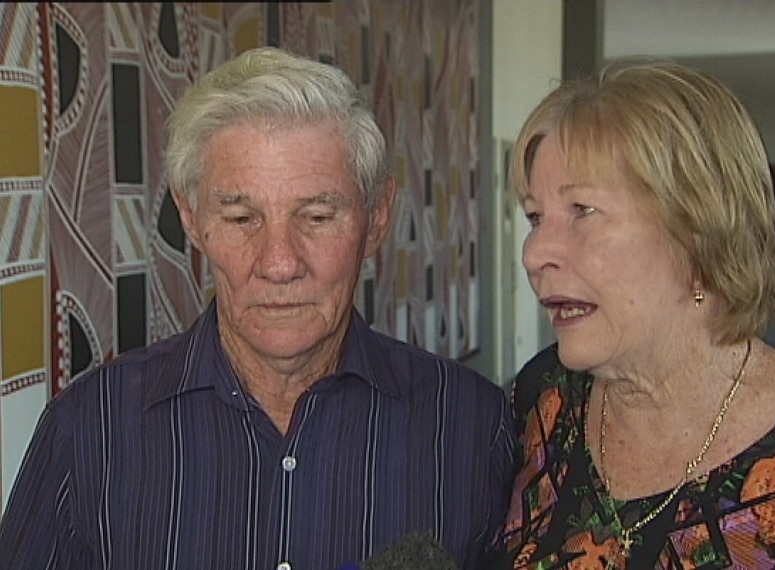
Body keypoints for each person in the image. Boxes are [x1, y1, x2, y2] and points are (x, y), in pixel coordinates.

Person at [0, 47, 516, 570]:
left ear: (377, 217)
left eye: (316, 216)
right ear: (191, 216)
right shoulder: (90, 431)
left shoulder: (473, 426)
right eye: (242, 218)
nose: (279, 263)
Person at [487, 59, 775, 569]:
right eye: (534, 216)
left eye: (582, 211)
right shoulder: (540, 400)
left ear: (698, 233)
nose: (534, 253)